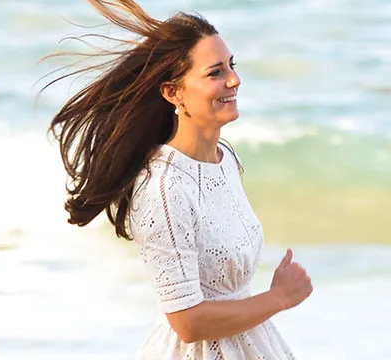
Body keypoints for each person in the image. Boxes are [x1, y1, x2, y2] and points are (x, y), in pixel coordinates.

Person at [47, 0, 312, 358]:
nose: (234, 79)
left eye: (231, 66)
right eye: (215, 72)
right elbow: (187, 322)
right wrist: (278, 298)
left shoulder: (225, 159)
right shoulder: (163, 186)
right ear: (173, 92)